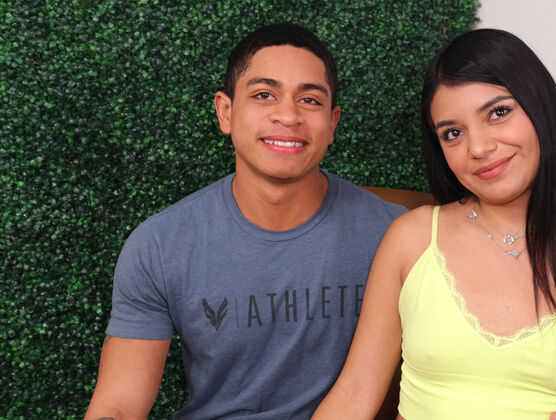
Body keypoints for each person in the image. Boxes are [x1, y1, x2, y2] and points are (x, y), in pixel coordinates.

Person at [313, 29, 556, 419]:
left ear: (541, 106)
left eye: (498, 113)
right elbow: (355, 393)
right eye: (453, 133)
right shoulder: (411, 238)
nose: (479, 148)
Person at [84, 23, 406, 419]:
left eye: (309, 100)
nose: (287, 115)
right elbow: (117, 405)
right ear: (226, 112)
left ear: (332, 123)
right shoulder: (160, 246)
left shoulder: (396, 235)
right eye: (264, 95)